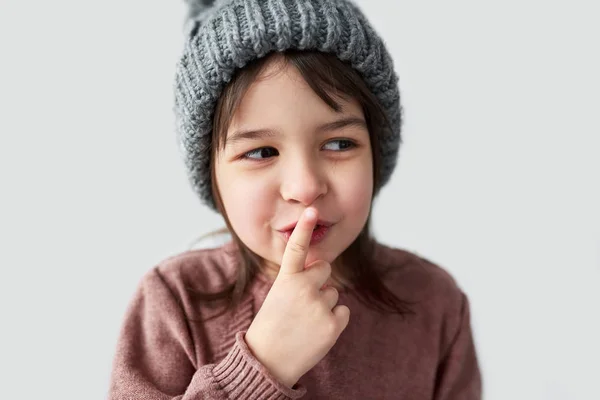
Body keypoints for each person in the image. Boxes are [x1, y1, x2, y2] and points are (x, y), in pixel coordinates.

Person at [108, 0, 482, 398]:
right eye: (261, 152)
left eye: (339, 143)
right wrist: (264, 366)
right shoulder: (174, 301)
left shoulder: (432, 301)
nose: (304, 187)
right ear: (212, 174)